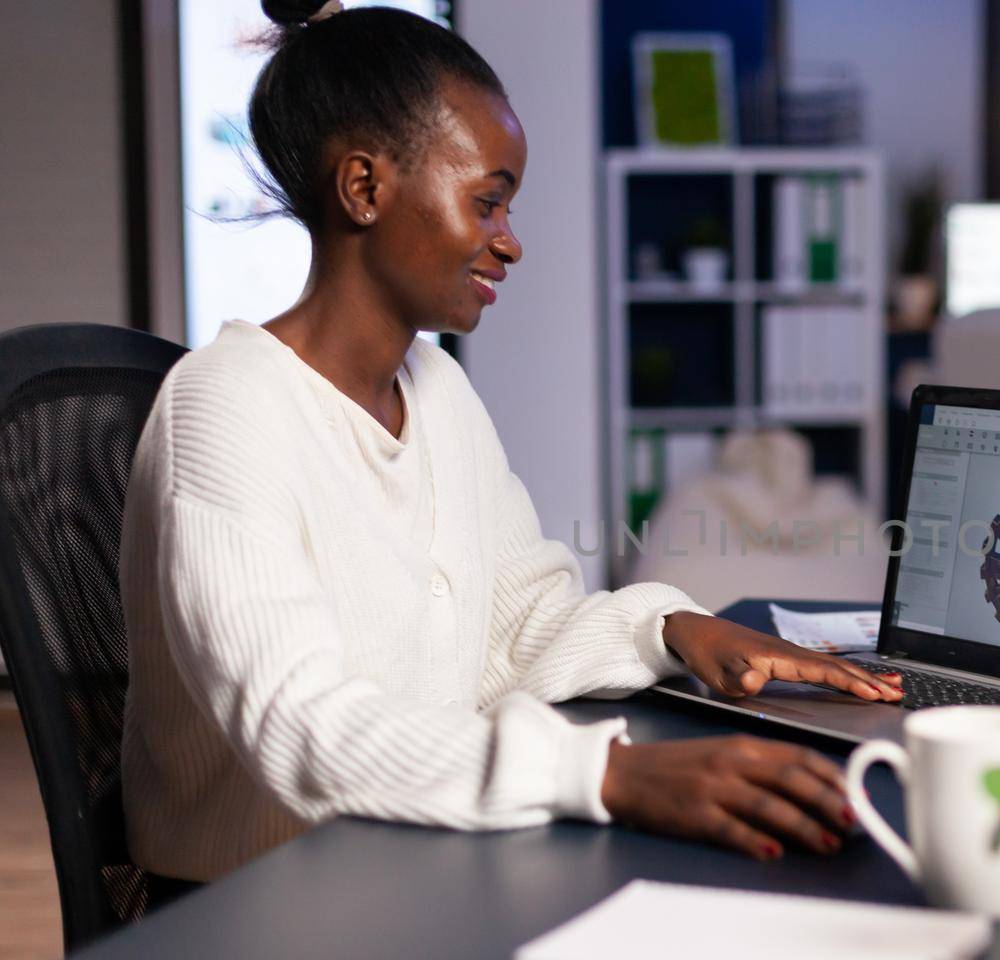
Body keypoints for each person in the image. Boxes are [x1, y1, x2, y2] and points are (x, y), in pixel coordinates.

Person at [120, 0, 903, 892]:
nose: (510, 241)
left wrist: (676, 626)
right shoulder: (224, 408)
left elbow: (519, 623)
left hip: (408, 862)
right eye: (487, 201)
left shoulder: (436, 387)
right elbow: (306, 730)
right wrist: (606, 774)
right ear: (365, 189)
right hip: (254, 913)